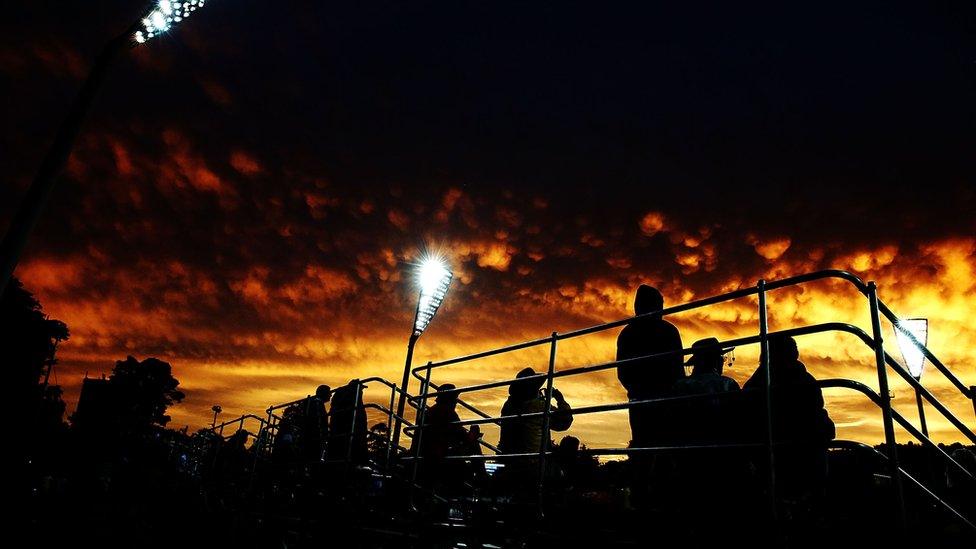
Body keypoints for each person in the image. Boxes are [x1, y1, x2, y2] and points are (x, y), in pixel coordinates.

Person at [744, 334, 835, 517]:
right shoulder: (806, 380)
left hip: (769, 461)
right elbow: (818, 417)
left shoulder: (756, 382)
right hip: (799, 460)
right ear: (794, 353)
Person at [616, 284, 684, 447]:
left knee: (643, 444)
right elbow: (677, 367)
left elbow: (622, 372)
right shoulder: (669, 331)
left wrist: (635, 390)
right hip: (665, 398)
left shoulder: (627, 333)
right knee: (666, 445)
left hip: (639, 398)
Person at [412, 383, 480, 493]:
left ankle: (480, 479)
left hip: (426, 456)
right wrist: (474, 432)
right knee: (474, 446)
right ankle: (482, 479)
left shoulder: (431, 412)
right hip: (437, 458)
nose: (456, 401)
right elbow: (462, 437)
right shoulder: (447, 412)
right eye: (455, 398)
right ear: (450, 399)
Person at [498, 367, 573, 455]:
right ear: (533, 390)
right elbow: (565, 422)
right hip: (533, 463)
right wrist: (560, 399)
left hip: (510, 460)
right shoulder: (538, 406)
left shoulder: (508, 405)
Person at [329, 380, 368, 465]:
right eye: (361, 389)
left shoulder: (340, 394)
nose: (361, 391)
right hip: (350, 436)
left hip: (337, 434)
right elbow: (360, 419)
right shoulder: (354, 398)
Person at [300, 384, 330, 463]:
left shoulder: (313, 402)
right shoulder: (317, 403)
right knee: (314, 460)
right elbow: (318, 421)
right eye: (329, 392)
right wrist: (323, 435)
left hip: (310, 437)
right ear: (323, 393)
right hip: (315, 438)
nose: (330, 395)